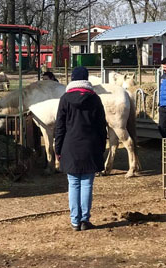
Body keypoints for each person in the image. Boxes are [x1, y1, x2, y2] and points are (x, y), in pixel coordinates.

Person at [55, 66, 107, 231]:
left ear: (72, 79)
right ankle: (85, 219)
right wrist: (101, 146)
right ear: (87, 79)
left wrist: (58, 149)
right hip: (90, 146)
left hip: (70, 146)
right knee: (87, 184)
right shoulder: (95, 99)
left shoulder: (65, 99)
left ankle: (75, 221)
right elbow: (101, 126)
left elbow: (59, 127)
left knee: (73, 183)